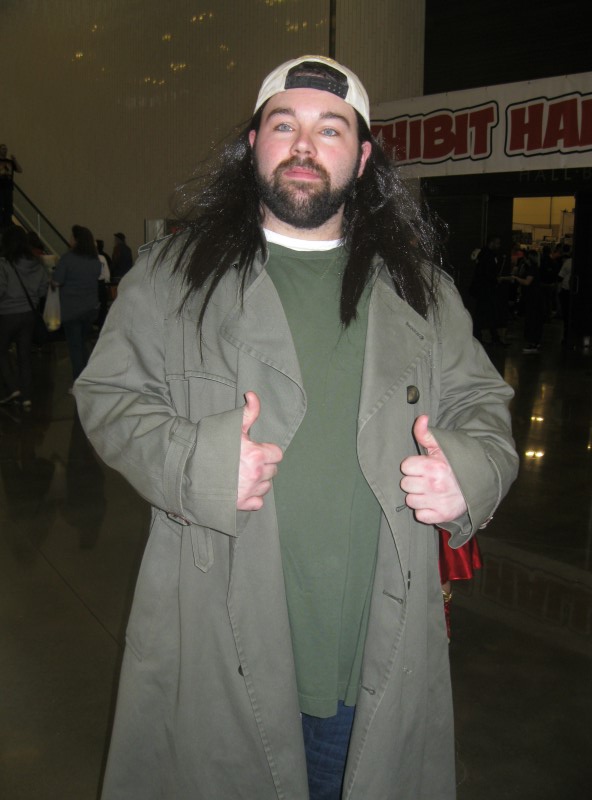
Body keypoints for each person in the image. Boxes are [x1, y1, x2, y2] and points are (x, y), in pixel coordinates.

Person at [75, 56, 519, 800]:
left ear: (363, 157)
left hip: (371, 645)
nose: (305, 146)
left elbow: (483, 404)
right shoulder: (172, 277)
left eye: (330, 129)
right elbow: (107, 395)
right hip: (219, 636)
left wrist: (467, 472)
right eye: (284, 125)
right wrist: (196, 463)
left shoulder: (421, 290)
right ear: (253, 145)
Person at [0, 225, 48, 407]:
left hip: (7, 314)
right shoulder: (37, 263)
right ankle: (26, 396)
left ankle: (13, 387)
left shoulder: (4, 263)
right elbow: (43, 290)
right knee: (24, 355)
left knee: (1, 351)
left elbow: (1, 289)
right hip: (29, 314)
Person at [53, 225, 101, 384]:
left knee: (75, 347)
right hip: (91, 308)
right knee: (83, 343)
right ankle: (88, 377)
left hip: (71, 309)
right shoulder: (95, 260)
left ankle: (78, 382)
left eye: (71, 236)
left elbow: (56, 282)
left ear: (76, 240)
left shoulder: (67, 259)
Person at [470, 234, 508, 345]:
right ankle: (485, 336)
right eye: (497, 243)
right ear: (492, 243)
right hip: (485, 289)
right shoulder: (487, 255)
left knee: (485, 312)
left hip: (485, 288)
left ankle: (485, 335)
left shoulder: (486, 254)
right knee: (485, 312)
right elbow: (485, 272)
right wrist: (495, 279)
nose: (499, 245)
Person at [0, 144, 23, 230]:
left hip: (8, 188)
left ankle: (8, 224)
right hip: (0, 188)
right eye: (3, 149)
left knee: (8, 207)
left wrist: (14, 160)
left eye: (6, 149)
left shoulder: (10, 162)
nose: (5, 150)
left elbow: (20, 170)